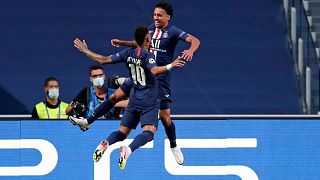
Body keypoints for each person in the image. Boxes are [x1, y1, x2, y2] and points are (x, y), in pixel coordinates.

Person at [70, 26, 185, 169]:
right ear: (148, 39)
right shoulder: (148, 56)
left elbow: (104, 60)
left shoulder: (128, 53)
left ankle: (104, 140)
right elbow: (154, 70)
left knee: (121, 131)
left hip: (134, 94)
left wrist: (85, 50)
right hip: (148, 100)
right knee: (149, 133)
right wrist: (171, 65)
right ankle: (129, 150)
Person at [110, 1, 200, 165]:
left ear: (168, 17)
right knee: (123, 96)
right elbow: (138, 43)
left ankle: (173, 145)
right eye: (154, 15)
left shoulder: (173, 32)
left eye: (159, 15)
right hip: (146, 77)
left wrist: (190, 50)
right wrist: (122, 43)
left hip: (162, 79)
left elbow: (195, 40)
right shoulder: (150, 29)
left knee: (165, 117)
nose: (156, 18)